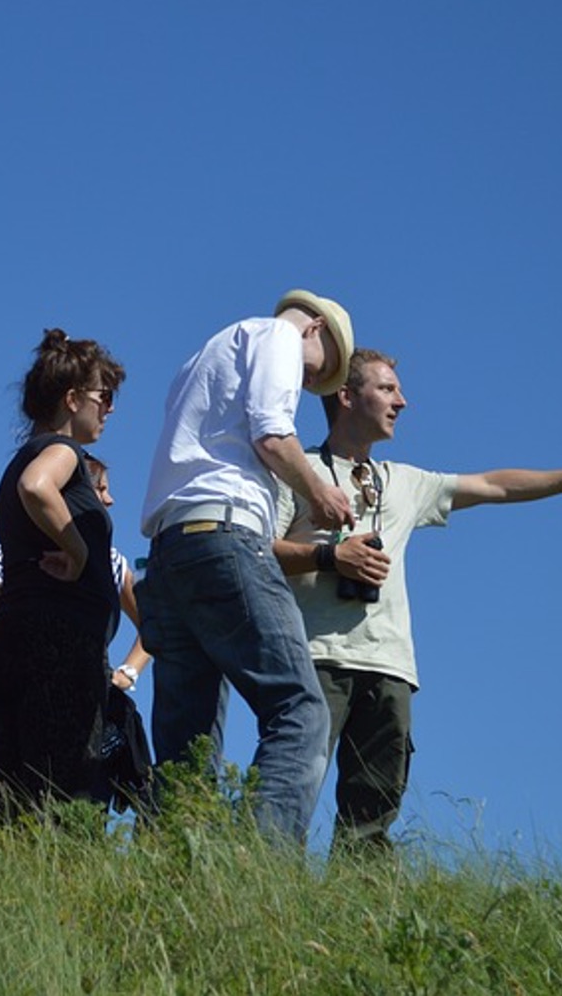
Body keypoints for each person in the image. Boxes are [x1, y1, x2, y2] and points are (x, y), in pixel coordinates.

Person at [272, 348, 562, 854]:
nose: (403, 401)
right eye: (387, 389)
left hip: (390, 667)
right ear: (347, 396)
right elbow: (259, 551)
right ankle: (269, 886)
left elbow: (493, 485)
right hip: (318, 658)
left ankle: (360, 911)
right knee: (292, 786)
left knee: (372, 815)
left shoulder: (405, 482)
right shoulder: (300, 472)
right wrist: (332, 557)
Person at [135, 289, 357, 847]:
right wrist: (318, 493)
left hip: (170, 549)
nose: (311, 385)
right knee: (301, 711)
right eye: (319, 373)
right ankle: (261, 870)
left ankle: (168, 879)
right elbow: (271, 434)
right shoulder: (280, 337)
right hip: (225, 537)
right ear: (316, 332)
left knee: (188, 750)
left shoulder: (206, 355)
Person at [0, 330, 129, 824]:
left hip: (10, 642)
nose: (110, 410)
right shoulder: (63, 451)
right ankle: (66, 895)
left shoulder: (22, 455)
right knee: (67, 796)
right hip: (57, 644)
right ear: (72, 398)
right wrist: (78, 550)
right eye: (105, 397)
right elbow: (36, 487)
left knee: (10, 804)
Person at [0, 454, 151, 691]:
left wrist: (127, 673)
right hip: (22, 692)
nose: (110, 500)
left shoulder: (111, 561)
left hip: (89, 693)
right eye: (100, 489)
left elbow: (151, 623)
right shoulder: (10, 553)